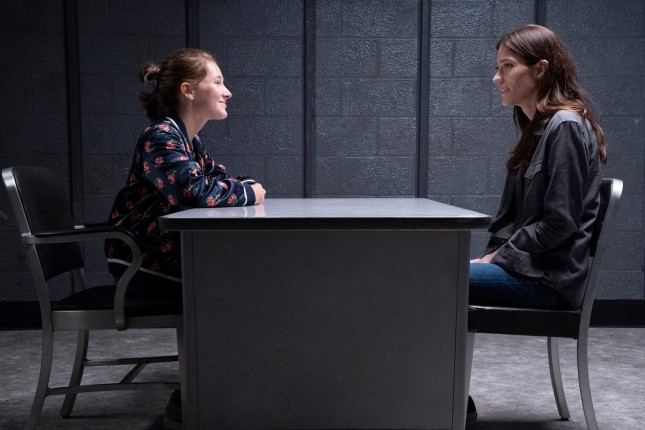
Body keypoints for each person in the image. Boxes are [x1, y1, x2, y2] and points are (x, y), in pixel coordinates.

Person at [104, 48, 266, 429]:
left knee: (248, 280)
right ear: (189, 90)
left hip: (164, 254)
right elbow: (197, 193)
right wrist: (251, 192)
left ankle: (217, 389)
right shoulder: (160, 137)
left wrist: (239, 188)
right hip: (139, 261)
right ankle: (195, 398)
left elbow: (221, 181)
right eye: (218, 82)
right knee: (237, 287)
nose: (227, 91)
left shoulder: (189, 141)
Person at [466, 24, 607, 423]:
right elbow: (517, 220)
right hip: (531, 270)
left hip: (548, 281)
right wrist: (495, 255)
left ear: (540, 69)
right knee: (440, 272)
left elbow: (560, 223)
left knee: (438, 277)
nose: (497, 77)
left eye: (507, 66)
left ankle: (443, 397)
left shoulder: (565, 127)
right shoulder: (539, 130)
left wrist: (497, 259)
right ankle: (445, 393)